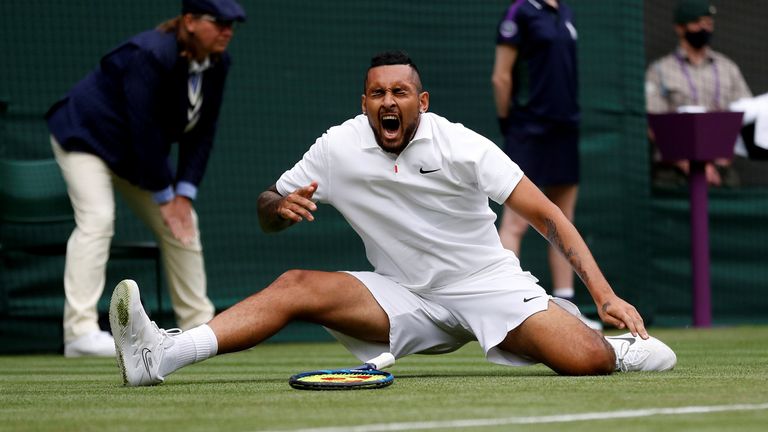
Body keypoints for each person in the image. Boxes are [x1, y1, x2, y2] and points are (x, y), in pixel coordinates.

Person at [109, 51, 676, 387]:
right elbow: (268, 209)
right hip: (402, 294)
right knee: (295, 285)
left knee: (585, 362)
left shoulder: (461, 146)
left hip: (487, 284)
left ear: (420, 102)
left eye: (400, 92)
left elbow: (549, 216)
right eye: (377, 92)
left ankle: (600, 340)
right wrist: (278, 209)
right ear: (364, 104)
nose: (388, 101)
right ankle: (162, 354)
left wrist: (605, 294)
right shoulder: (336, 147)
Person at [45, 0, 246, 357]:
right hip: (85, 138)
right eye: (219, 21)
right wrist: (165, 196)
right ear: (190, 22)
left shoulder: (220, 62)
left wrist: (182, 195)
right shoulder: (150, 54)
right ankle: (79, 333)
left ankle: (202, 328)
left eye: (232, 23)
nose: (228, 30)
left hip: (132, 154)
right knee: (98, 219)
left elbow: (203, 133)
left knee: (184, 222)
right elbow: (145, 129)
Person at [491, 0, 601, 330]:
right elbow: (501, 77)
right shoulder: (519, 12)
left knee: (563, 219)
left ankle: (568, 307)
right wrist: (508, 122)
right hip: (528, 130)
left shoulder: (566, 12)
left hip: (565, 130)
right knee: (516, 223)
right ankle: (505, 306)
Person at [645, 0, 752, 187]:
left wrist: (720, 162)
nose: (704, 28)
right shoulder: (659, 70)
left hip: (721, 170)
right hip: (674, 172)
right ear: (680, 28)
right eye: (697, 23)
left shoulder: (728, 68)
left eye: (708, 23)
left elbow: (746, 116)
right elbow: (651, 124)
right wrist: (687, 163)